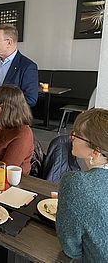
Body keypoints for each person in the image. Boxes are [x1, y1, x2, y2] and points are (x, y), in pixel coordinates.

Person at [56, 108, 108, 262]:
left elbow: (71, 249)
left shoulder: (77, 184)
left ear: (95, 152)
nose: (71, 138)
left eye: (77, 135)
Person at [0, 24, 38, 124]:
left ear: (9, 42)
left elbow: (30, 99)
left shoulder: (27, 66)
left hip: (11, 123)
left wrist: (0, 106)